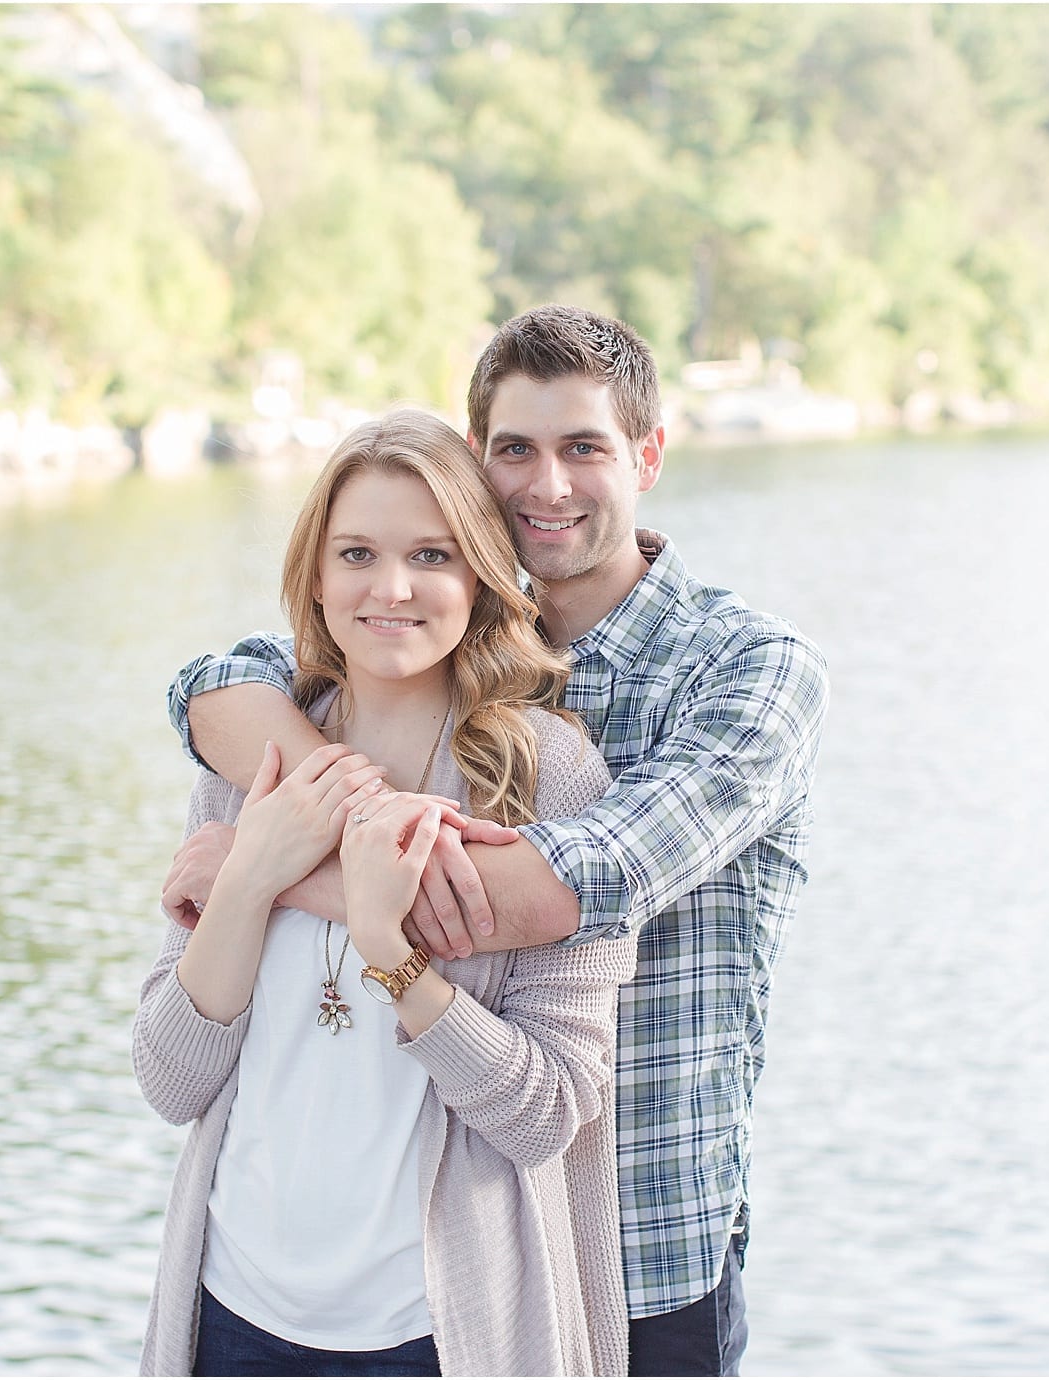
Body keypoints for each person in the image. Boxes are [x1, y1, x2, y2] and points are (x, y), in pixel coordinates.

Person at [161, 306, 830, 1377]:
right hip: (452, 1236)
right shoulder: (429, 617)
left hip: (644, 1245)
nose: (547, 485)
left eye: (584, 449)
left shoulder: (745, 672)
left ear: (647, 456)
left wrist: (275, 871)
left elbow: (565, 887)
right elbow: (214, 686)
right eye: (515, 449)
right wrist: (289, 820)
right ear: (478, 463)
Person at [134, 408, 637, 1377]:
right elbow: (169, 1078)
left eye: (432, 556)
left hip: (433, 1333)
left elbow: (548, 1112)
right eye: (357, 553)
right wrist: (249, 877)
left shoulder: (550, 780)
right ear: (315, 579)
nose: (391, 589)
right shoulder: (254, 756)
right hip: (229, 1316)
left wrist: (392, 951)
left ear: (480, 576)